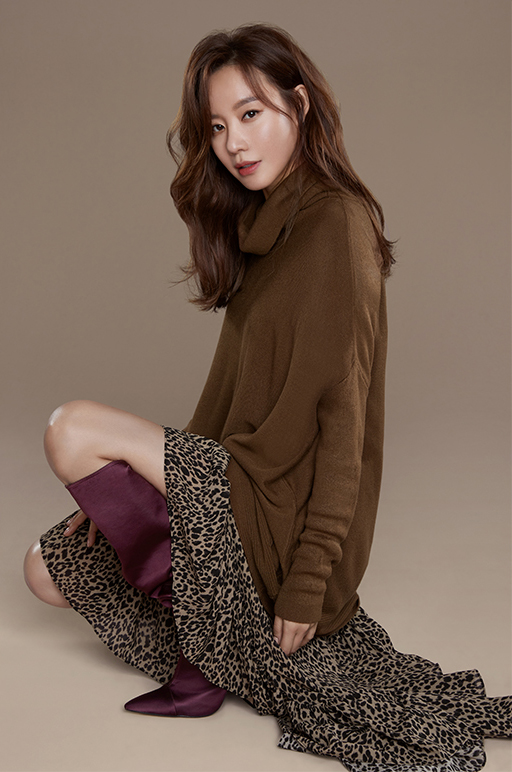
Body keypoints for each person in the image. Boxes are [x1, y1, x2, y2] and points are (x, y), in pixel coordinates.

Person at [23, 23, 510, 771]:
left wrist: (309, 584)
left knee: (69, 428)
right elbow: (222, 403)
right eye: (217, 126)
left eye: (250, 114)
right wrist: (129, 489)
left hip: (278, 515)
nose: (234, 143)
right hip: (231, 485)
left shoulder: (336, 223)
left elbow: (345, 427)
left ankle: (219, 644)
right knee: (45, 570)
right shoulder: (262, 228)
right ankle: (221, 639)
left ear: (301, 105)